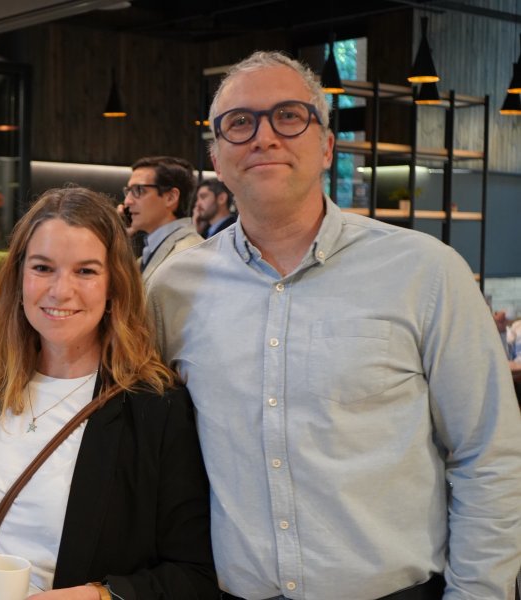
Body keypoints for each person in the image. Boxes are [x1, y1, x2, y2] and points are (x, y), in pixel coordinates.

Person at [147, 51, 521, 600]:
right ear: (217, 159)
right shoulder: (172, 290)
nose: (264, 137)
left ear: (326, 146)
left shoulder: (426, 272)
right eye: (240, 122)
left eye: (288, 116)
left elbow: (488, 454)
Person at [0, 187, 216, 599]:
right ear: (19, 278)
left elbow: (194, 575)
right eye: (43, 268)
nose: (61, 290)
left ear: (114, 285)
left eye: (85, 271)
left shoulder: (156, 407)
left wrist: (99, 596)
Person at [122, 156, 203, 282]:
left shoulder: (189, 255)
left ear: (171, 198)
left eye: (139, 190)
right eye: (128, 191)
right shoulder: (147, 254)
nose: (127, 201)